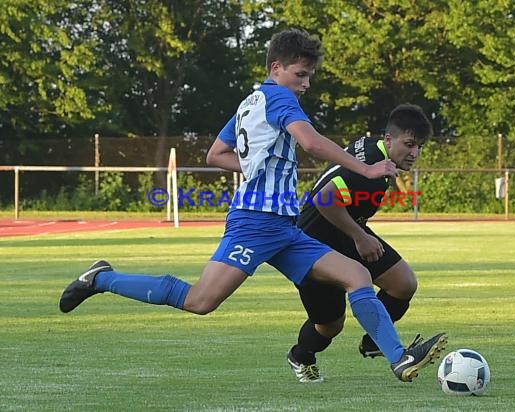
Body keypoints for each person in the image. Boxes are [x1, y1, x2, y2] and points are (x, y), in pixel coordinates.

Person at [59, 29, 447, 383]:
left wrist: (257, 165)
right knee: (200, 301)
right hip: (254, 224)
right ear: (277, 68)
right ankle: (101, 279)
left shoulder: (250, 102)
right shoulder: (279, 97)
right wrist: (366, 166)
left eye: (309, 76)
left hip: (286, 228)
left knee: (357, 276)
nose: (306, 84)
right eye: (301, 74)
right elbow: (310, 143)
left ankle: (399, 358)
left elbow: (216, 154)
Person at [286, 103, 437, 383]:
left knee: (403, 283)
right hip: (313, 240)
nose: (414, 153)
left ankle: (374, 342)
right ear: (389, 139)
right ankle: (301, 356)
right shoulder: (369, 166)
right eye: (409, 144)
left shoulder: (376, 151)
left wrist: (358, 233)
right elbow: (324, 200)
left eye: (419, 146)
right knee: (330, 324)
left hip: (346, 229)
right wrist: (359, 236)